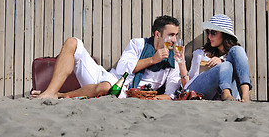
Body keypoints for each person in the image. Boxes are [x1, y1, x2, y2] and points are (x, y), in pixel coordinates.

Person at [31, 15, 181, 100]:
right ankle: (50, 92)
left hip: (122, 91)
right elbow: (122, 68)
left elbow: (170, 94)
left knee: (106, 88)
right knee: (73, 42)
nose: (174, 40)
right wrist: (152, 60)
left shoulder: (172, 60)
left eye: (176, 35)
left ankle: (60, 95)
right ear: (157, 34)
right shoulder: (138, 44)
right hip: (108, 77)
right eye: (171, 35)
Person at [175, 14, 251, 102]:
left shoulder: (234, 56)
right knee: (225, 65)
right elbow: (187, 85)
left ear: (225, 35)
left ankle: (245, 97)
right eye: (208, 32)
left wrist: (222, 61)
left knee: (238, 50)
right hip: (200, 90)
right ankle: (225, 94)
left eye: (213, 32)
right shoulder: (200, 54)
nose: (209, 36)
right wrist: (181, 63)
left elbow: (240, 70)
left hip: (232, 95)